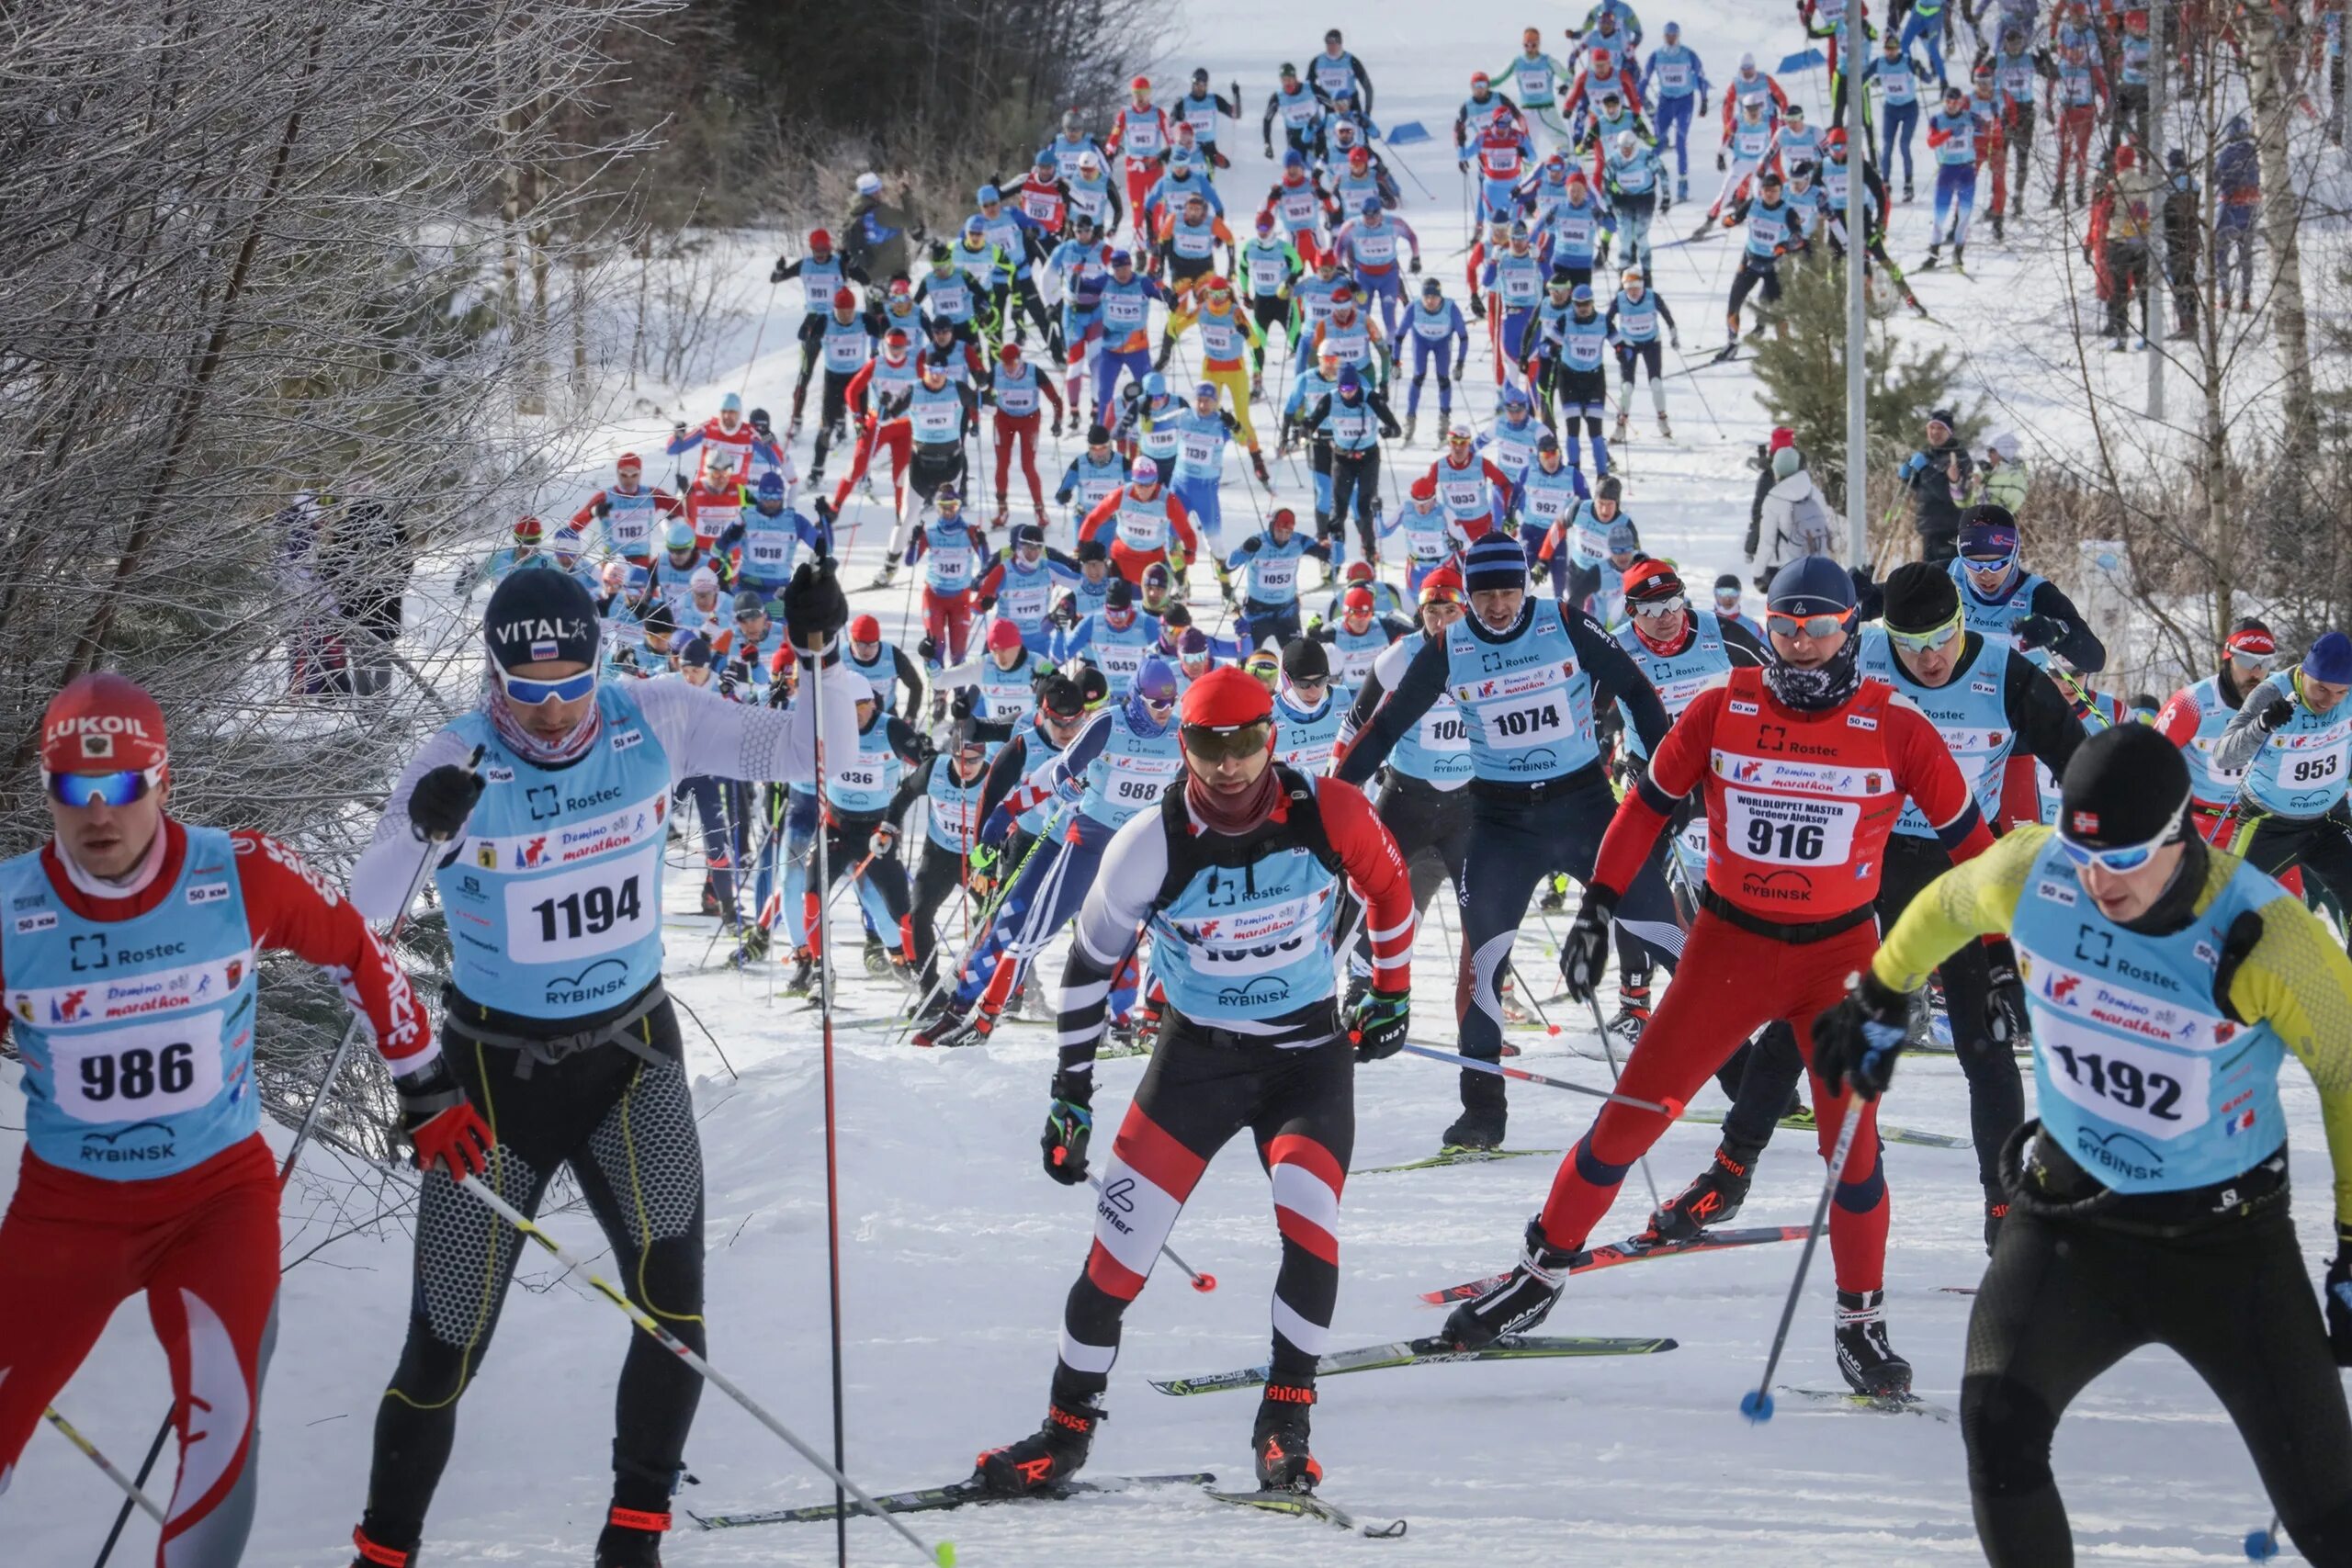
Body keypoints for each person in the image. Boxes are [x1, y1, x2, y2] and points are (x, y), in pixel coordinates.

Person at [345, 563, 859, 1568]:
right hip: (492, 1079)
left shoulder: (654, 719)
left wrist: (821, 658)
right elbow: (360, 920)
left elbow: (808, 750)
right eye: (525, 690)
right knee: (445, 1346)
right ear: (493, 677)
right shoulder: (456, 757)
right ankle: (382, 1553)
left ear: (599, 664)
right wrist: (419, 831)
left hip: (630, 1060)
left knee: (673, 1313)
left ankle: (634, 1541)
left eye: (569, 684)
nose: (549, 711)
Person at [1439, 557, 1996, 1398]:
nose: (1800, 649)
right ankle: (1538, 1272)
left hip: (1839, 963)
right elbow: (1643, 810)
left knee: (1852, 1148)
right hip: (1726, 953)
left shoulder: (1897, 725)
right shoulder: (1721, 706)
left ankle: (1861, 1324)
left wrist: (1998, 957)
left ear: (1852, 632)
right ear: (1764, 627)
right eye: (1784, 629)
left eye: (1818, 631)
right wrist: (1595, 909)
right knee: (1629, 1121)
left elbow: (1974, 854)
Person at [1814, 722, 2352, 1562]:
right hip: (2070, 1222)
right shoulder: (2037, 871)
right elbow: (1949, 903)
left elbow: (2348, 1072)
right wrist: (1883, 989)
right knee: (1995, 1430)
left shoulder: (2267, 936)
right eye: (2085, 854)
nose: (2101, 881)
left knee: (2332, 1518)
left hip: (2227, 1246)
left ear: (2179, 833)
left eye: (2127, 858)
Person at [0, 673, 439, 1567]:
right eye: (73, 791)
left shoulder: (239, 872)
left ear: (164, 783)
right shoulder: (12, 912)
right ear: (46, 792)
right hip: (66, 1218)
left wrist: (422, 1079)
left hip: (215, 1208)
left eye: (123, 787)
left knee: (222, 1428)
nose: (99, 815)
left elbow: (356, 948)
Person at [972, 662, 1412, 1498]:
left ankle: (1285, 1421)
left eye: (1245, 743)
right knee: (1116, 1261)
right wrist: (1070, 1094)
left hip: (1303, 1060)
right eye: (1210, 747)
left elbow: (1390, 891)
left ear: (1270, 739)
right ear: (1183, 747)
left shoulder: (1332, 811)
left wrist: (1391, 991)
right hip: (1196, 1063)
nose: (1229, 765)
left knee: (1311, 1225)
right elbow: (1088, 966)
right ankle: (1065, 1431)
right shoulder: (1151, 840)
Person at [1654, 562, 2087, 1251]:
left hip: (1958, 864)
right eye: (1909, 644)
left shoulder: (2005, 674)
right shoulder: (1858, 651)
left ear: (1963, 625)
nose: (1927, 659)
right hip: (1867, 860)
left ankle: (2005, 1212)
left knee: (1986, 1038)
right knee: (1808, 1020)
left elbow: (2083, 762)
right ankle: (1730, 1173)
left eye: (1942, 640)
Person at [1335, 536, 1682, 1147]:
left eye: (1509, 592)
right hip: (1499, 820)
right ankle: (1481, 1114)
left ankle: (1757, 1084)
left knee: (1672, 937)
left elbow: (1636, 690)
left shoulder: (1563, 622)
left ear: (1528, 586)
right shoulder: (1451, 646)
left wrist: (1666, 780)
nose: (1497, 606)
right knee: (1483, 963)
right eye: (1484, 594)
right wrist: (1334, 798)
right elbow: (1385, 725)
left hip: (1584, 806)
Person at [920, 659, 1187, 1045]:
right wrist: (994, 832)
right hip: (1058, 843)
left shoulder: (1173, 735)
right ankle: (965, 1012)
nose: (1164, 713)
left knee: (1148, 933)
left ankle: (1133, 1023)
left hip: (1133, 850)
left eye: (1169, 704)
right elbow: (1036, 782)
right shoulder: (1068, 732)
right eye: (1156, 704)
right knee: (1015, 931)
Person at [2211, 630, 2352, 952]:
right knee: (2226, 910)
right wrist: (2262, 725)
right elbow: (2224, 756)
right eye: (2321, 689)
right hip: (2268, 822)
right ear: (2305, 672)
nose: (2328, 701)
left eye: (2341, 693)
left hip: (2330, 820)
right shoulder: (2272, 693)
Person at [2154, 618, 2278, 841]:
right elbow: (2150, 755)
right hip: (2196, 823)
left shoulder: (2278, 701)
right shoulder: (2192, 703)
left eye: (2265, 662)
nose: (2256, 672)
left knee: (2286, 878)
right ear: (2229, 657)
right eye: (2246, 660)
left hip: (2255, 823)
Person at [1749, 441, 1838, 586]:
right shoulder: (1813, 492)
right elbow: (1829, 524)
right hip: (1815, 563)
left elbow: (1767, 542)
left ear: (1777, 469)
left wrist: (1757, 573)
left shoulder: (1774, 499)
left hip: (1785, 569)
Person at [1898, 407, 1972, 561]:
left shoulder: (1958, 457)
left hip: (1949, 529)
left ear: (1949, 432)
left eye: (1940, 428)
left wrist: (1925, 470)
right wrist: (1908, 476)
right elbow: (1924, 488)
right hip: (1928, 528)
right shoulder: (1928, 454)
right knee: (1929, 579)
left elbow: (1949, 494)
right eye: (1931, 427)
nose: (1935, 432)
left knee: (1944, 579)